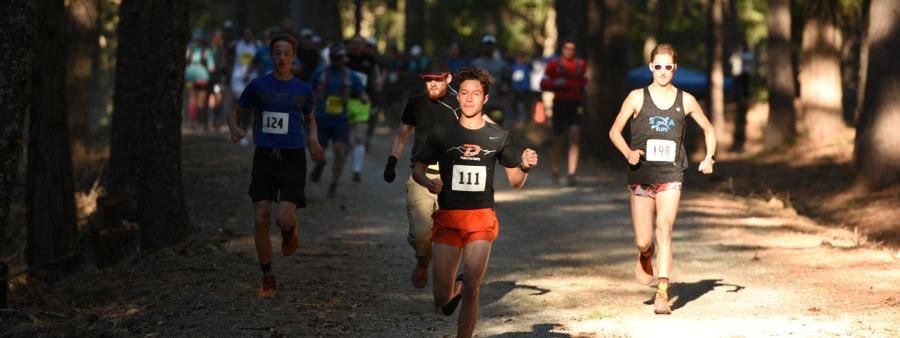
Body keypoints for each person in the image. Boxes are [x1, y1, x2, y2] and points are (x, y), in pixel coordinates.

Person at [412, 67, 537, 337]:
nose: (469, 99)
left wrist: (525, 166)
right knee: (440, 299)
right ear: (458, 97)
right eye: (465, 93)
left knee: (473, 285)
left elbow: (515, 181)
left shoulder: (498, 136)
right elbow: (417, 169)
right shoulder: (441, 133)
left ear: (485, 99)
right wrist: (427, 182)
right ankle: (453, 289)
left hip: (481, 217)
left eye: (476, 94)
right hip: (448, 217)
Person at [608, 43, 716, 315]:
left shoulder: (686, 100)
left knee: (665, 227)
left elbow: (708, 128)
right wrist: (628, 153)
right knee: (644, 240)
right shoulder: (636, 97)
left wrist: (709, 157)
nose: (664, 72)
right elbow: (614, 131)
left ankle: (662, 293)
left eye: (669, 67)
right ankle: (645, 255)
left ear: (675, 68)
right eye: (659, 67)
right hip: (641, 174)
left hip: (671, 173)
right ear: (651, 67)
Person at [226, 34, 324, 298]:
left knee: (283, 218)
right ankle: (267, 275)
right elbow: (235, 111)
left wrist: (313, 139)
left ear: (293, 57)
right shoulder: (258, 86)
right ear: (271, 56)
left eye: (286, 53)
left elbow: (311, 120)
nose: (282, 57)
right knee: (260, 217)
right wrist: (234, 127)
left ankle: (290, 230)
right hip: (265, 156)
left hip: (293, 157)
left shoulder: (302, 90)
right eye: (277, 53)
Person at [383, 60, 461, 289]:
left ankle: (447, 286)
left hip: (454, 178)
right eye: (428, 81)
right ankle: (422, 259)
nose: (432, 85)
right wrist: (391, 162)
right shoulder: (416, 103)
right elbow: (401, 134)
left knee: (454, 234)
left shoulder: (461, 103)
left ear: (448, 78)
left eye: (437, 80)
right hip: (421, 174)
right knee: (420, 235)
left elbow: (480, 130)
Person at [309, 43, 368, 197]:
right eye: (334, 58)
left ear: (344, 59)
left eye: (340, 58)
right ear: (330, 58)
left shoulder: (351, 76)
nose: (337, 61)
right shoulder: (319, 73)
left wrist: (364, 98)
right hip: (321, 119)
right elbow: (310, 91)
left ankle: (334, 183)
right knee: (317, 152)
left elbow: (361, 93)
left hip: (340, 120)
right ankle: (320, 164)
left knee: (340, 151)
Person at [540, 39, 587, 187]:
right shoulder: (554, 64)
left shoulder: (580, 65)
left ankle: (572, 173)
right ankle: (555, 171)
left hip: (575, 105)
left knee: (574, 137)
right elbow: (543, 83)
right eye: (567, 48)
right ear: (562, 49)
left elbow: (585, 82)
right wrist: (556, 84)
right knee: (558, 139)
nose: (569, 51)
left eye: (572, 49)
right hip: (559, 104)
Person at [469, 35, 510, 125]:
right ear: (483, 46)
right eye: (486, 45)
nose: (488, 47)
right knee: (478, 129)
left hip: (497, 104)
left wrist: (504, 96)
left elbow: (506, 83)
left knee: (497, 128)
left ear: (494, 47)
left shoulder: (502, 64)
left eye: (491, 45)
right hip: (479, 105)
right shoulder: (475, 64)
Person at [231, 27, 260, 146]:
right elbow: (227, 56)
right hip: (238, 79)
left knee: (248, 109)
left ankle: (243, 133)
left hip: (251, 80)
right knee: (238, 106)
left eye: (250, 34)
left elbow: (258, 62)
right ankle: (235, 131)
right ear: (243, 35)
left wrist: (251, 73)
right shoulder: (236, 45)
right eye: (246, 33)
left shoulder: (255, 47)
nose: (248, 35)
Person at [185, 29, 216, 131]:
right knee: (200, 102)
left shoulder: (188, 49)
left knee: (191, 100)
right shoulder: (207, 51)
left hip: (189, 77)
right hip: (203, 78)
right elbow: (212, 68)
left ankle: (192, 123)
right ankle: (200, 123)